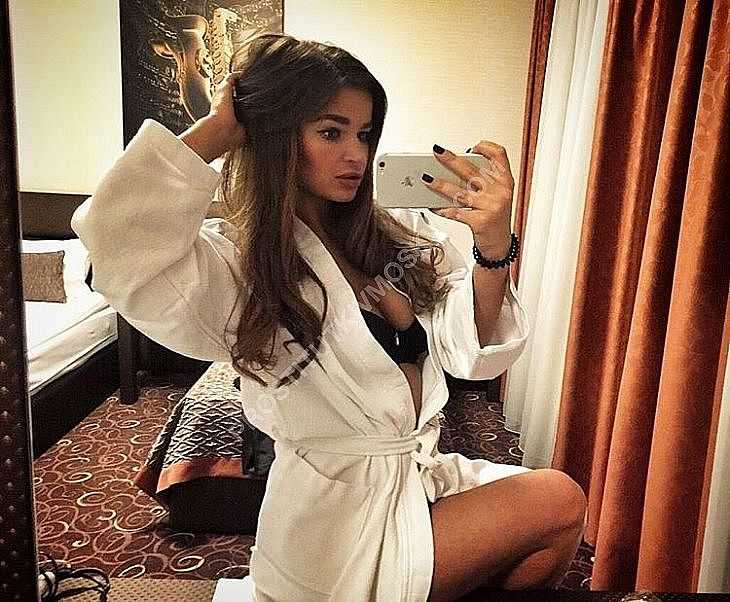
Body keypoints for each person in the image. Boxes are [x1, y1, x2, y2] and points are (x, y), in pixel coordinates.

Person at [71, 32, 587, 602]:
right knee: (557, 500)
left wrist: (492, 246)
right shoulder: (244, 267)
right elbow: (119, 246)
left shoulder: (393, 236)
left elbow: (473, 348)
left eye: (364, 134)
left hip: (412, 476)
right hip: (336, 525)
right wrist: (221, 128)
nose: (356, 156)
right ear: (278, 136)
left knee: (552, 514)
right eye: (330, 132)